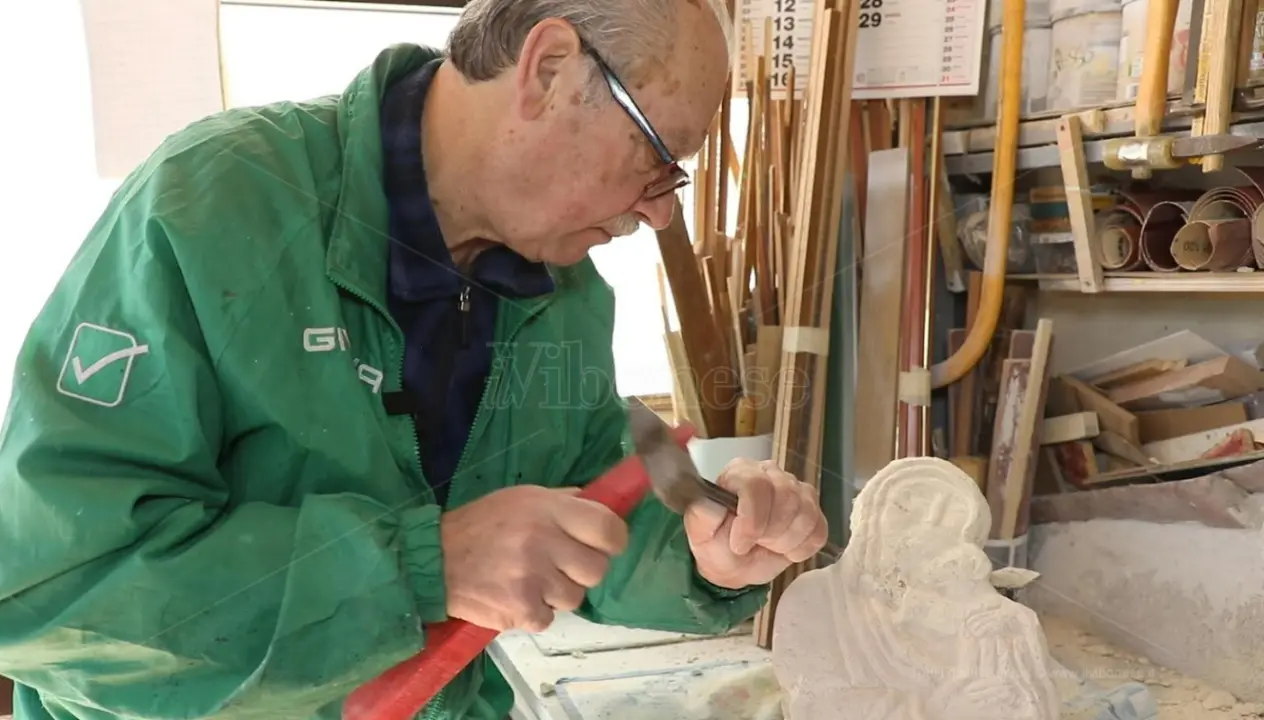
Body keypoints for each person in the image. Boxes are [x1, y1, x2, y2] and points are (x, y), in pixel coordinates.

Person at [0, 0, 830, 718]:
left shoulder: (564, 292)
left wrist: (708, 555)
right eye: (658, 158)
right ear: (549, 71)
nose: (659, 215)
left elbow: (587, 515)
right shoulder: (212, 205)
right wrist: (424, 567)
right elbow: (54, 594)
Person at [772, 457, 1059, 720]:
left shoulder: (982, 616)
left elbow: (1032, 703)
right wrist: (937, 709)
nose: (923, 536)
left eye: (948, 532)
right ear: (872, 518)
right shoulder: (815, 600)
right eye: (910, 516)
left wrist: (1018, 637)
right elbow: (817, 705)